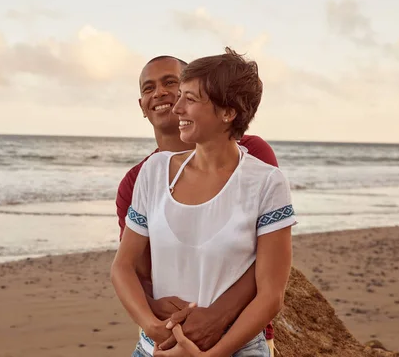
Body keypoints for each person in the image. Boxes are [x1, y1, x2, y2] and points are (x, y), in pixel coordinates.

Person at [112, 48, 296, 356]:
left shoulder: (263, 175)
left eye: (187, 96)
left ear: (228, 112)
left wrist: (213, 340)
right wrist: (161, 328)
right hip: (159, 346)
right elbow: (129, 268)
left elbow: (271, 283)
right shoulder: (148, 174)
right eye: (149, 87)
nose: (176, 106)